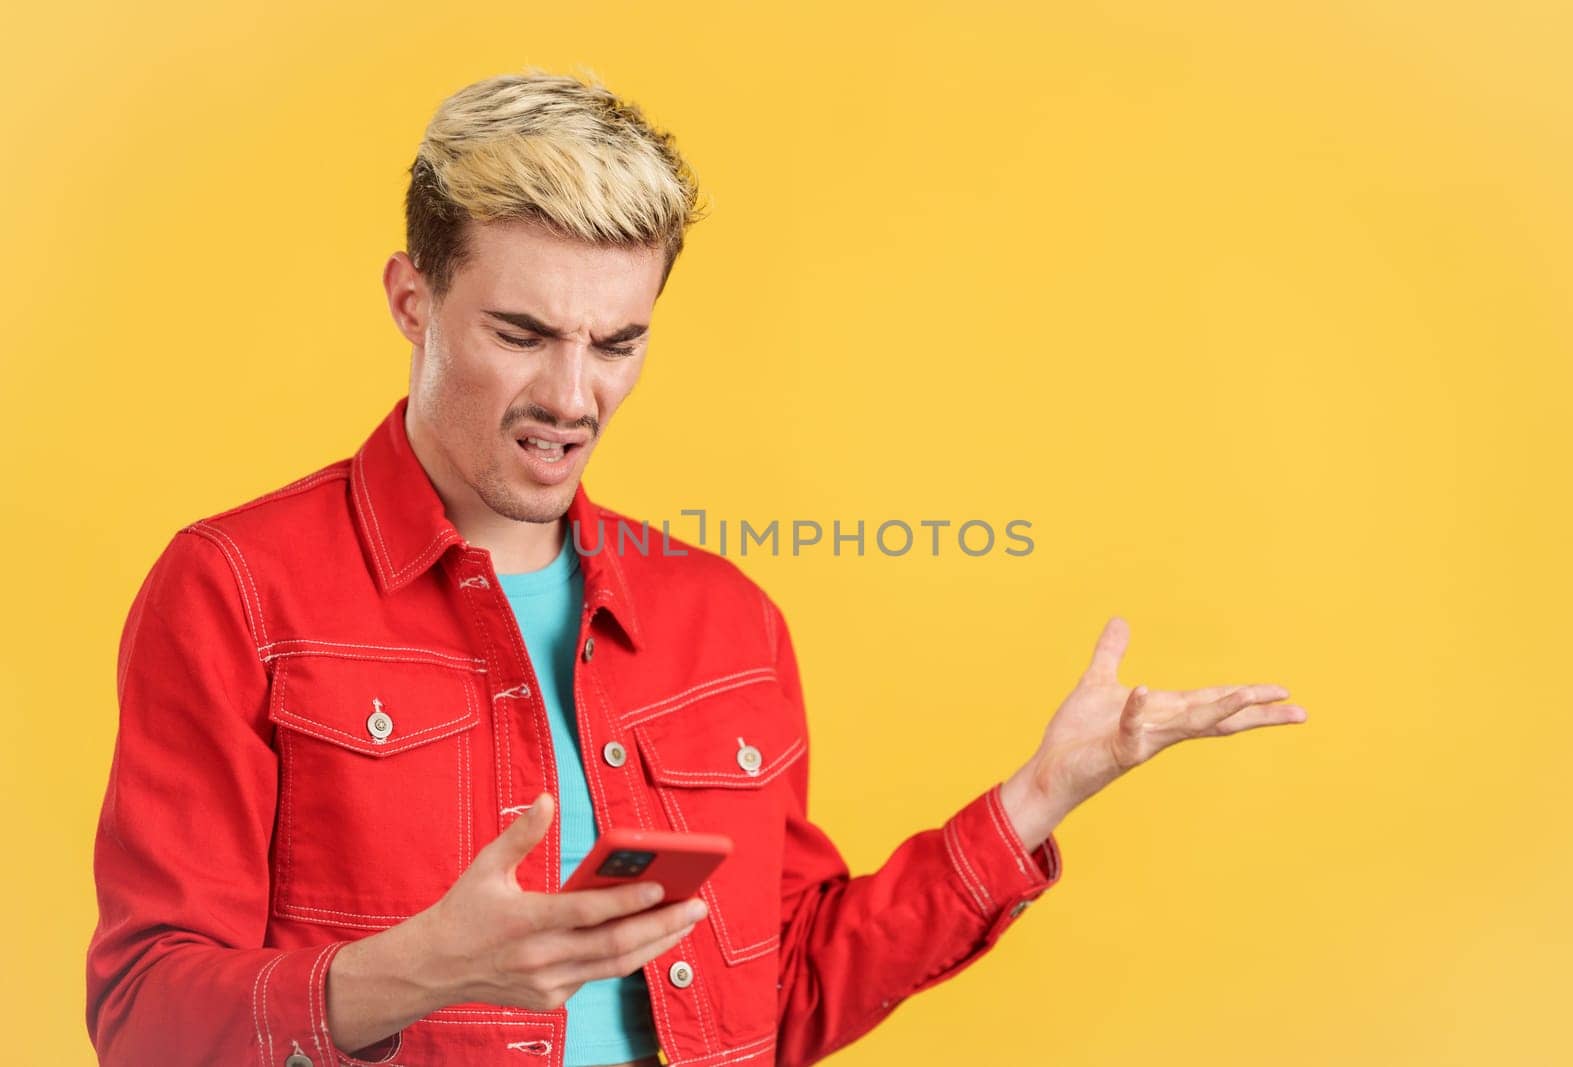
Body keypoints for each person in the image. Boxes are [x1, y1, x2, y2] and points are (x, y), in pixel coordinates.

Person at [84, 66, 1307, 1067]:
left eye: (617, 342)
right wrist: (424, 969)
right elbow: (143, 1017)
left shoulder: (721, 620)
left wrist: (1035, 799)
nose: (573, 397)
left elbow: (780, 994)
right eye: (520, 333)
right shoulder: (236, 588)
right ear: (413, 299)